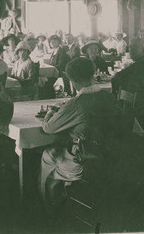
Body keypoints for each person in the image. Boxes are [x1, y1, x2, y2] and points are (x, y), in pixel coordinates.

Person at [40, 58, 122, 206]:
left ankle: (50, 208)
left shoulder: (75, 104)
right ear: (93, 74)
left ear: (72, 80)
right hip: (108, 156)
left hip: (82, 162)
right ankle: (68, 192)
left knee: (47, 155)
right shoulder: (109, 97)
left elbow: (48, 128)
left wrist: (51, 112)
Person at [112, 38, 144, 134]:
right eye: (130, 47)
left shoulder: (139, 66)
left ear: (143, 50)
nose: (131, 50)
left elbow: (116, 79)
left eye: (134, 47)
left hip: (140, 112)